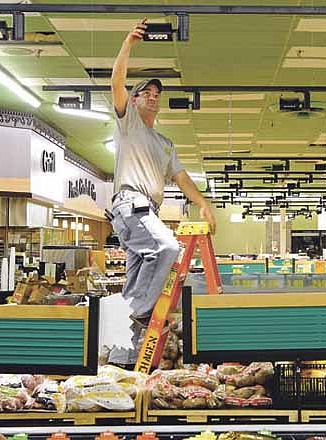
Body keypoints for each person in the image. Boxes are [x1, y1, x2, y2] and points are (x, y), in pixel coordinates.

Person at [107, 18, 216, 367]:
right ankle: (141, 315)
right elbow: (116, 83)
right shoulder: (129, 125)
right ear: (135, 101)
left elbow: (182, 179)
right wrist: (127, 43)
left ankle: (126, 359)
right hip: (130, 206)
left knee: (137, 280)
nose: (152, 99)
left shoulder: (165, 144)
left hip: (146, 212)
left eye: (156, 95)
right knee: (167, 247)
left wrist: (204, 205)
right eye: (146, 94)